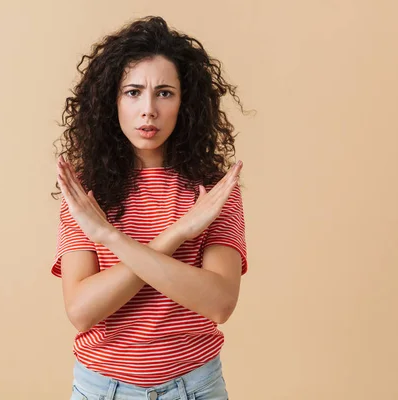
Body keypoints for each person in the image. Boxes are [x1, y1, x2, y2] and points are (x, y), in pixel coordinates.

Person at [51, 15, 248, 400]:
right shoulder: (85, 192)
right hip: (100, 390)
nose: (148, 110)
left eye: (164, 93)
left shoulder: (213, 191)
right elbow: (82, 311)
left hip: (195, 388)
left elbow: (220, 303)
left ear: (185, 102)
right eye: (133, 92)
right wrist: (177, 234)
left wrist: (109, 237)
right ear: (112, 100)